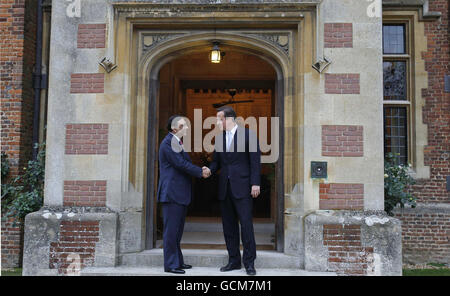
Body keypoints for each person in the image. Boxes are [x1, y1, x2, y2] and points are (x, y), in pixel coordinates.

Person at [203, 106, 261, 276]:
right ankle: (234, 261)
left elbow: (255, 161)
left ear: (229, 119)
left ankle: (249, 263)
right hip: (225, 189)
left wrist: (255, 183)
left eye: (219, 118)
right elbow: (216, 163)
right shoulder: (219, 139)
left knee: (246, 225)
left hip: (243, 187)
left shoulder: (248, 135)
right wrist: (209, 170)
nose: (217, 122)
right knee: (229, 227)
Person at [157, 115, 210, 274]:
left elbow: (182, 164)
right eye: (183, 125)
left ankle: (177, 261)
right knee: (171, 231)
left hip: (178, 193)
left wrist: (199, 170)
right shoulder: (168, 143)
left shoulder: (176, 142)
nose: (186, 128)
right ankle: (171, 265)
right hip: (172, 193)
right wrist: (200, 171)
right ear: (174, 128)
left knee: (177, 231)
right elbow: (180, 164)